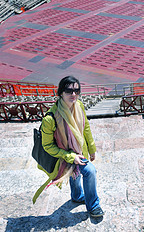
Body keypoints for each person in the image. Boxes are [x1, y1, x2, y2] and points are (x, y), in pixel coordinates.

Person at [32, 76, 104, 218]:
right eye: (69, 91)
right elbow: (47, 146)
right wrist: (70, 156)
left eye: (77, 91)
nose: (73, 95)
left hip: (80, 151)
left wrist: (91, 149)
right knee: (90, 171)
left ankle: (77, 196)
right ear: (60, 93)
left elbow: (86, 128)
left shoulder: (79, 106)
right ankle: (94, 205)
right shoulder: (50, 119)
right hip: (63, 157)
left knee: (75, 173)